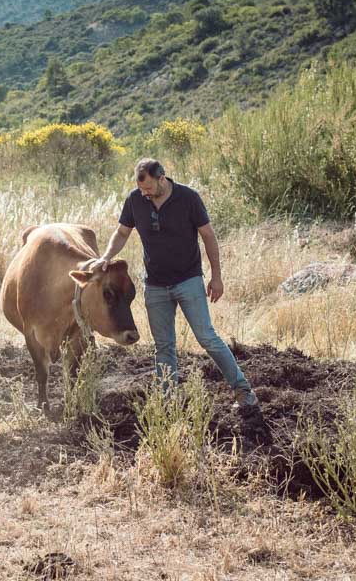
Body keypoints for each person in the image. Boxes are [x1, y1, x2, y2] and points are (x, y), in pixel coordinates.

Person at [90, 158, 267, 435]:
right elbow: (122, 232)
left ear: (162, 178)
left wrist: (216, 276)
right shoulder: (135, 200)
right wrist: (106, 256)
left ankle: (244, 392)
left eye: (149, 188)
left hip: (188, 281)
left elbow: (208, 236)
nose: (145, 194)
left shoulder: (188, 198)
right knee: (164, 347)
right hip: (156, 286)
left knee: (207, 337)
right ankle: (168, 401)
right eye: (141, 189)